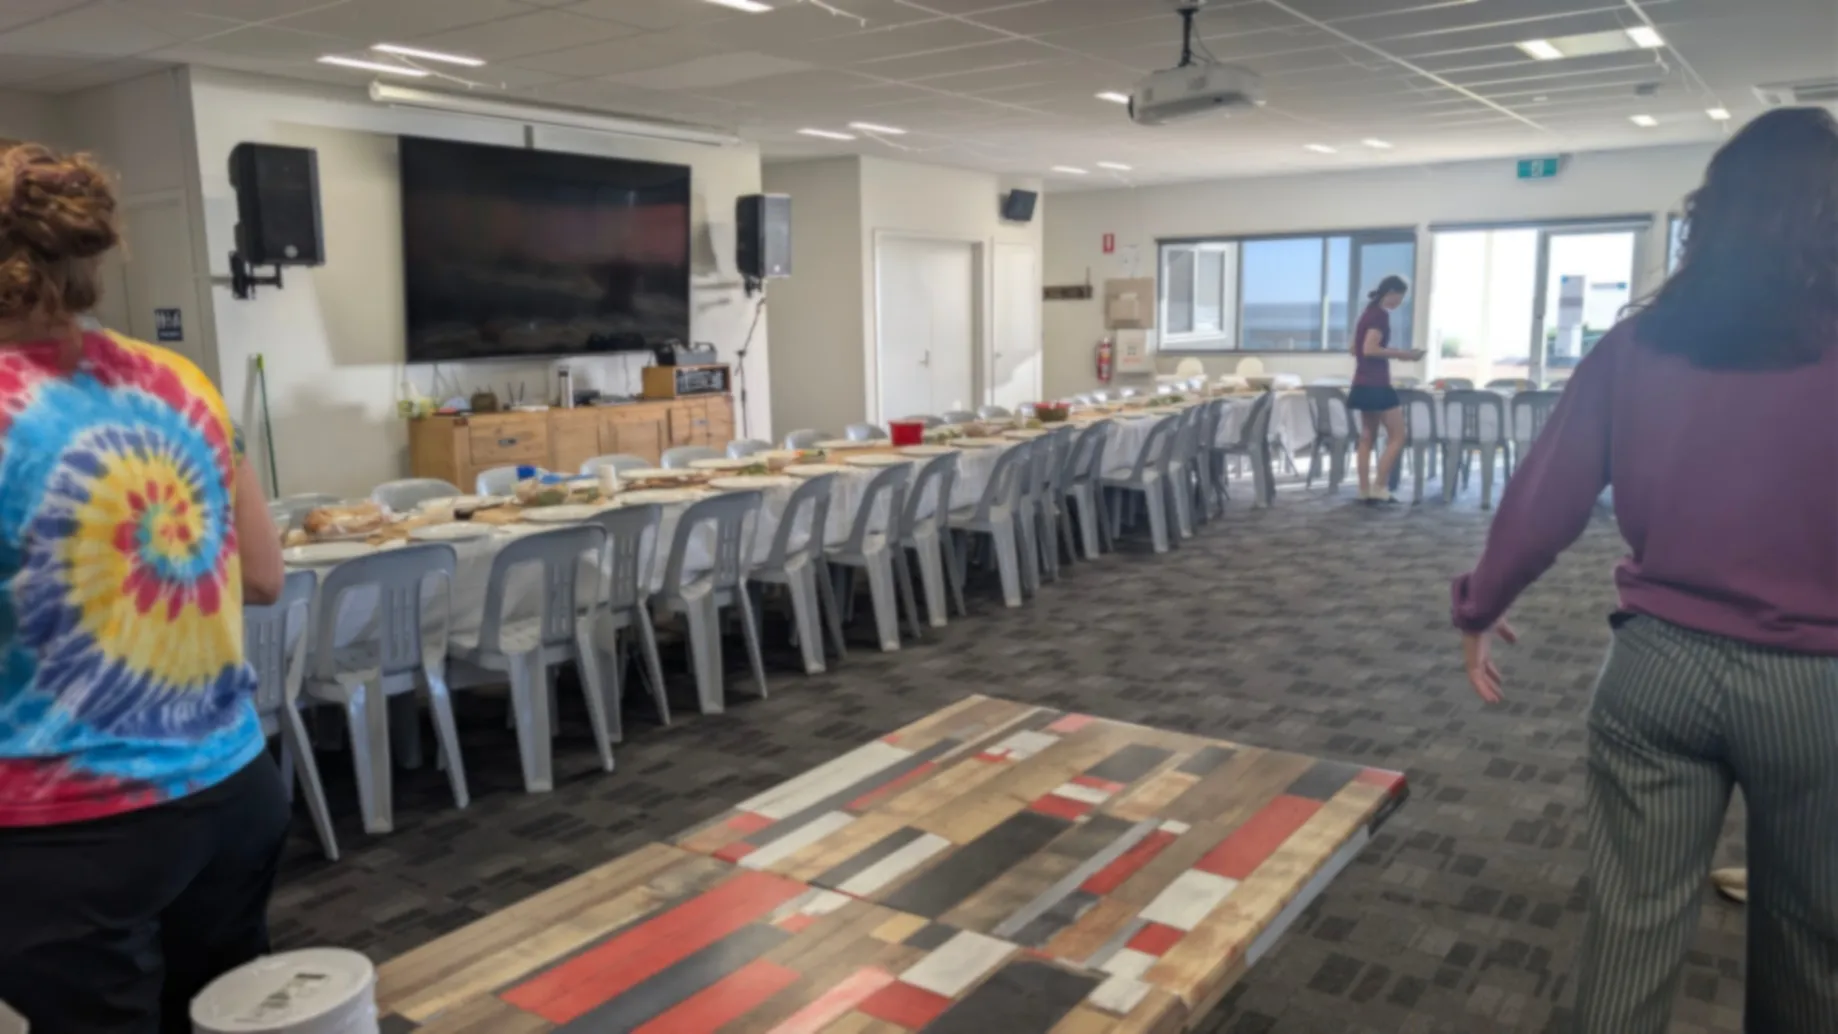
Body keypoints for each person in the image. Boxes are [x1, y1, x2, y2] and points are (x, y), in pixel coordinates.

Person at [1450, 107, 1838, 1034]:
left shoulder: (1639, 344)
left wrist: (1481, 604)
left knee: (1630, 931)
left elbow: (1548, 496)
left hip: (1656, 670)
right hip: (1819, 689)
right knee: (1811, 941)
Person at [0, 143, 289, 1033]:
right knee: (222, 1014)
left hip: (66, 828)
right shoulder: (183, 380)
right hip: (228, 787)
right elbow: (265, 576)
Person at [1346, 275, 1423, 503]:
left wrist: (1381, 351)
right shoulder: (1379, 315)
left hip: (1362, 381)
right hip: (1377, 384)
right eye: (1400, 298)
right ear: (1391, 293)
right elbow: (1369, 349)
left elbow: (1354, 348)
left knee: (1367, 437)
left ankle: (1363, 489)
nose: (1400, 303)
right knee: (1398, 436)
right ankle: (1379, 485)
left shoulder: (1367, 313)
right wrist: (1404, 355)